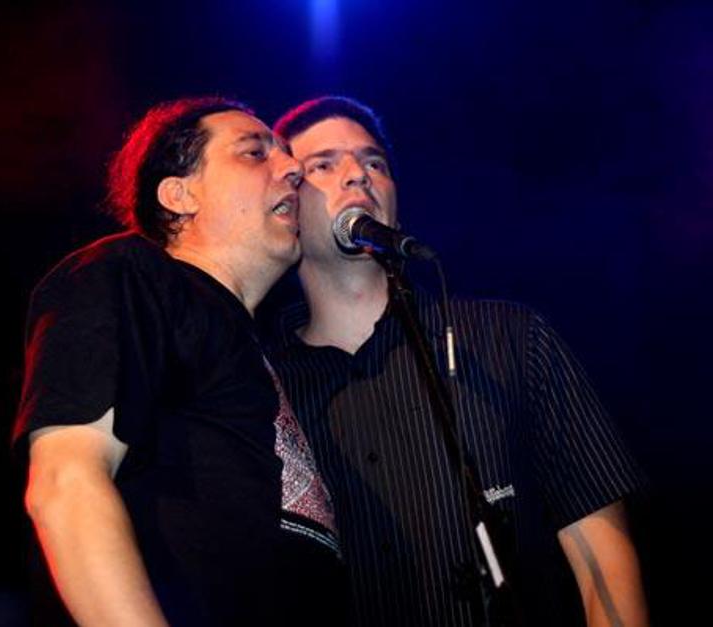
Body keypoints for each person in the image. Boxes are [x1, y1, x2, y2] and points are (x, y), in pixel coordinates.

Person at [261, 96, 648, 626]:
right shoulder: (263, 390)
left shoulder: (509, 338)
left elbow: (605, 558)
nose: (358, 175)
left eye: (375, 162)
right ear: (285, 206)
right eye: (323, 166)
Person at [13, 97, 348, 626]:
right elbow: (66, 484)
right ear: (179, 194)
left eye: (286, 154)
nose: (291, 168)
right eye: (254, 152)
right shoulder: (128, 275)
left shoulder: (262, 354)